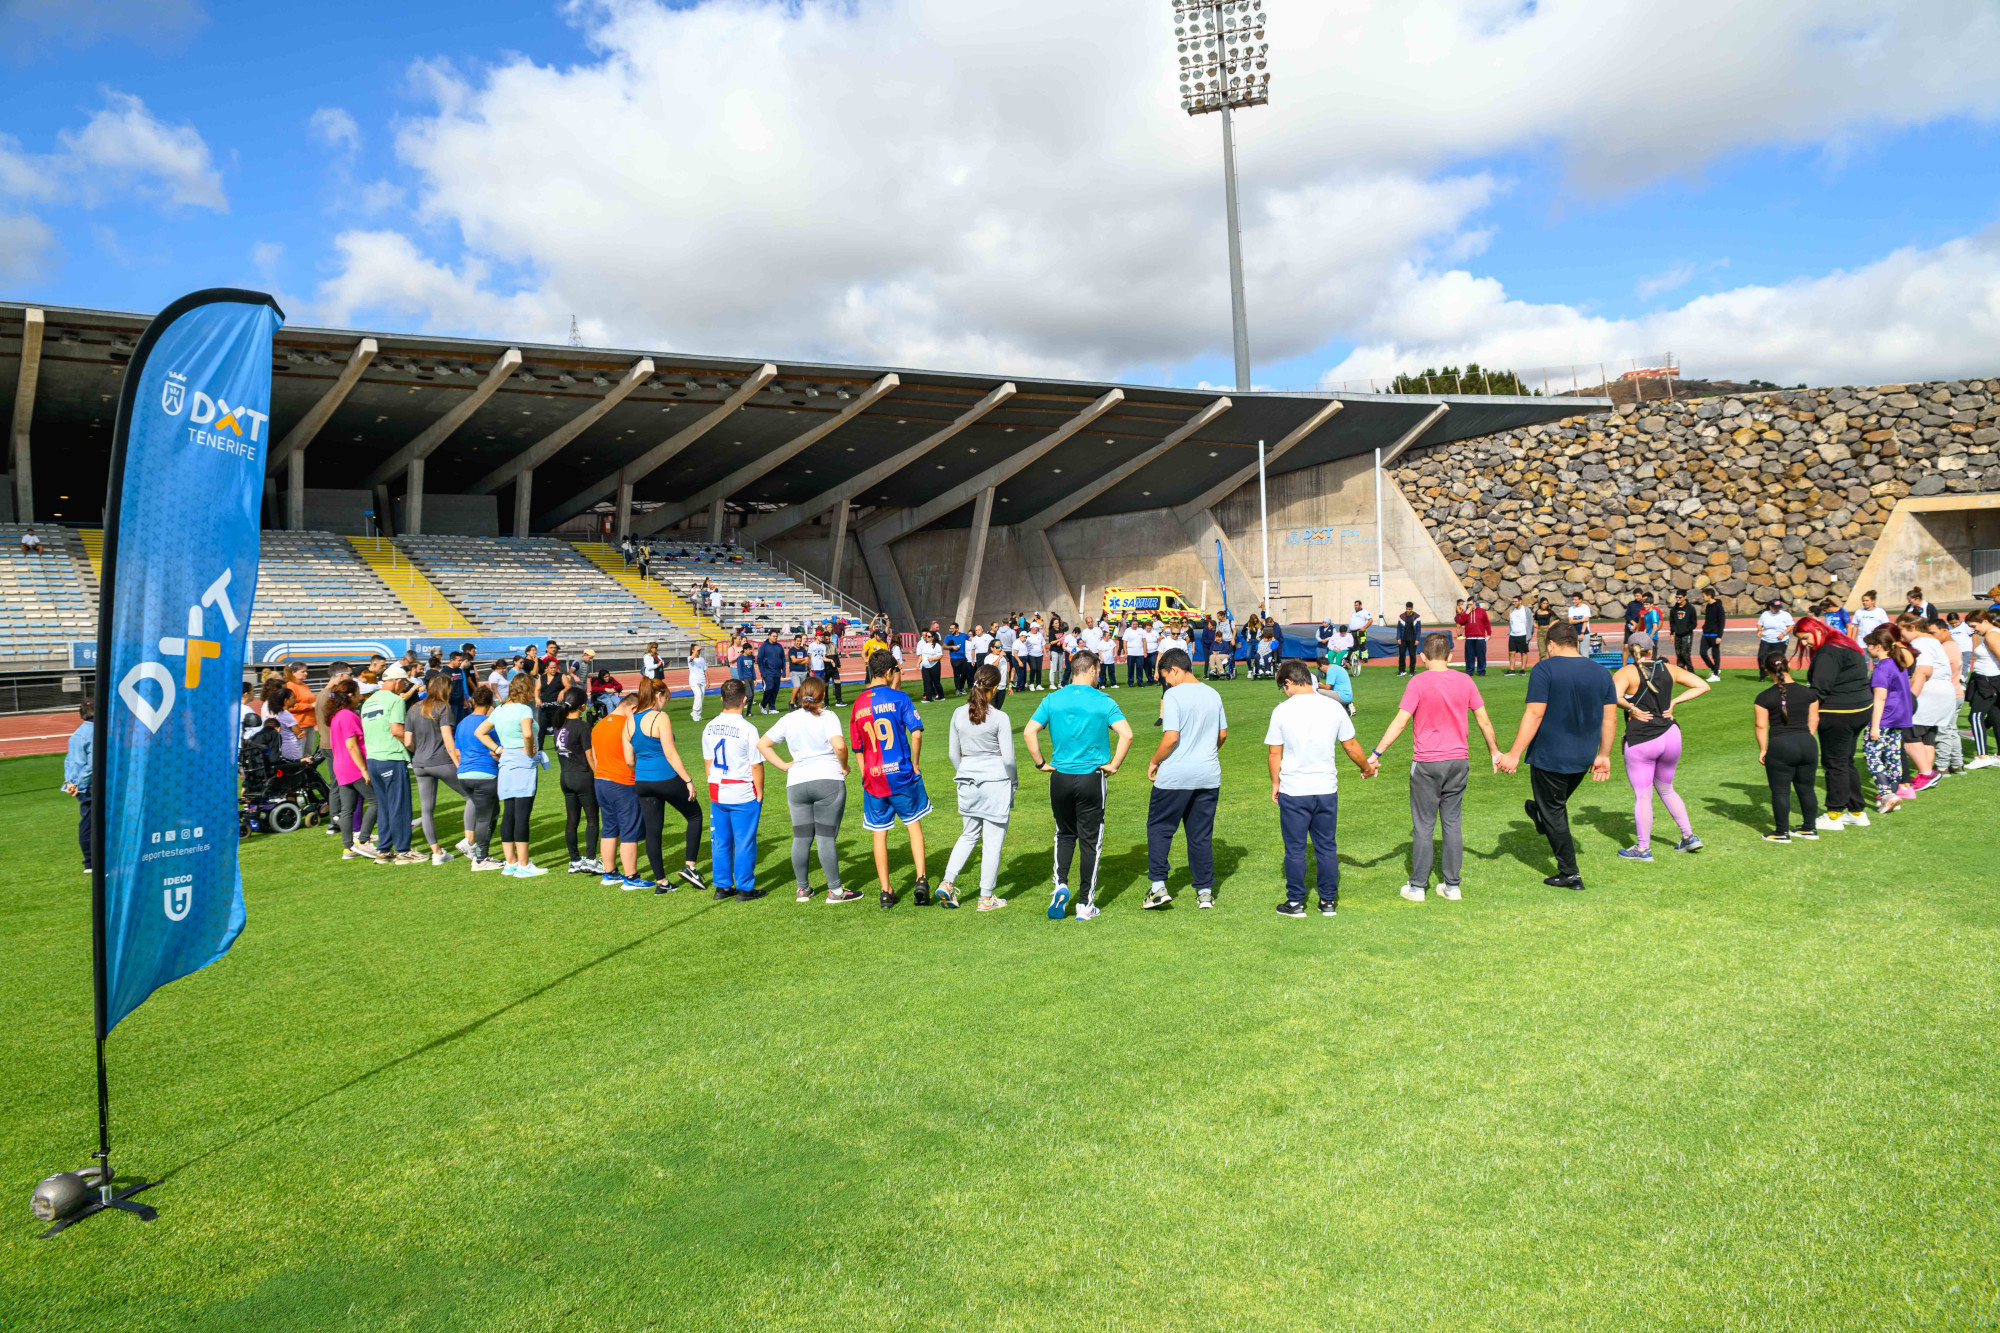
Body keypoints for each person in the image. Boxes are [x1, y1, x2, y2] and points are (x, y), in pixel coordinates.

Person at [1368, 631, 1500, 901]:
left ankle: (1417, 887)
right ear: (1451, 656)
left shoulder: (1418, 682)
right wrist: (1494, 752)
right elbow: (1484, 720)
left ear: (1422, 657)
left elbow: (1401, 721)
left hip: (1427, 763)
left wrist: (1376, 753)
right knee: (1452, 823)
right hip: (1458, 762)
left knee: (1424, 825)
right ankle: (1452, 886)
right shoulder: (1465, 681)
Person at [1496, 622, 1616, 890]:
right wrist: (1604, 755)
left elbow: (1535, 713)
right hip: (1583, 756)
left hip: (1550, 754)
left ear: (1550, 645)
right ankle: (1539, 813)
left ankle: (1570, 873)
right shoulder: (1601, 672)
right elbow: (1610, 718)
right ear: (1574, 642)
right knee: (1551, 805)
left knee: (1554, 811)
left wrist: (1514, 753)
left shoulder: (1544, 668)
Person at [1023, 650, 1133, 921]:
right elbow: (1126, 734)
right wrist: (1115, 765)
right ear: (1094, 670)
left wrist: (1040, 763)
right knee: (1090, 840)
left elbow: (1029, 732)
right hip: (1091, 777)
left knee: (1064, 833)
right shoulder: (1103, 701)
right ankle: (1084, 903)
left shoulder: (1053, 699)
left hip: (1059, 776)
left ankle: (1060, 884)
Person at [1266, 659, 1375, 917]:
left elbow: (1274, 753)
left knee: (1295, 848)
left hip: (1294, 789)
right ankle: (1327, 902)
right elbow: (1350, 746)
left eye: (1283, 687)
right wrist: (1366, 768)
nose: (1284, 692)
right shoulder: (1333, 707)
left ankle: (1295, 902)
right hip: (1325, 788)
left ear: (1289, 683)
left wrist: (1275, 783)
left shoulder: (1282, 710)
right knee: (1326, 846)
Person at [1610, 633, 1710, 859]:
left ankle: (1643, 848)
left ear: (1631, 648)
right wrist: (1674, 701)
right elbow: (1702, 685)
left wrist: (1631, 708)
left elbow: (1612, 696)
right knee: (1667, 788)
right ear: (1651, 650)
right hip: (1671, 734)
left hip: (1642, 738)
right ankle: (1689, 836)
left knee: (1643, 795)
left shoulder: (1626, 672)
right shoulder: (1670, 669)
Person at [758, 676, 854, 904]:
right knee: (825, 838)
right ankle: (836, 891)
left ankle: (803, 889)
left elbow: (763, 744)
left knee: (801, 838)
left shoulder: (788, 719)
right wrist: (844, 766)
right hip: (827, 780)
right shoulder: (827, 716)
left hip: (797, 782)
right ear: (822, 695)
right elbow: (839, 745)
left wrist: (782, 765)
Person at [1143, 648, 1226, 911]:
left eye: (1166, 676)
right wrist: (1204, 752)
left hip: (1176, 776)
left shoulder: (1174, 695)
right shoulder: (1213, 693)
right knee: (1200, 835)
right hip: (1208, 775)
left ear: (1175, 669)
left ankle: (1157, 888)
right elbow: (1222, 734)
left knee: (1160, 828)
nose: (1165, 682)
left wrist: (1155, 760)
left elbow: (1171, 737)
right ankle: (1204, 892)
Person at [848, 650, 932, 908]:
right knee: (913, 826)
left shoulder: (858, 704)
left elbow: (858, 747)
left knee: (879, 834)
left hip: (874, 779)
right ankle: (921, 880)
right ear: (888, 672)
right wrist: (915, 764)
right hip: (902, 775)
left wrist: (865, 772)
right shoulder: (899, 697)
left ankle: (885, 891)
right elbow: (916, 733)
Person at [939, 662, 1018, 912]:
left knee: (969, 834)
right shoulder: (1000, 717)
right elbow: (1008, 759)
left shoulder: (957, 713)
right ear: (994, 689)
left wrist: (965, 772)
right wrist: (1013, 783)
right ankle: (985, 898)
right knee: (993, 841)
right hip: (995, 782)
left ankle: (947, 882)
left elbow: (953, 754)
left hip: (968, 780)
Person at [1789, 615, 1874, 828]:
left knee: (1834, 763)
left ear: (1817, 630)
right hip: (1860, 709)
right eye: (1800, 639)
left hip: (1839, 712)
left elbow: (1819, 689)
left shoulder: (1829, 651)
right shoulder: (1845, 643)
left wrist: (1803, 713)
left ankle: (1834, 814)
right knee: (1845, 761)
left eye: (1805, 637)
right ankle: (1856, 812)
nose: (1804, 643)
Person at [631, 679, 705, 893]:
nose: (665, 703)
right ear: (658, 695)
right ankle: (690, 867)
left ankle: (662, 883)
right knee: (694, 815)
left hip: (642, 781)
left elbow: (629, 759)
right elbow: (670, 754)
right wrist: (688, 780)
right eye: (665, 698)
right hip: (664, 777)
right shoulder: (660, 717)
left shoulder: (630, 720)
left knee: (653, 831)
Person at [701, 678, 766, 900]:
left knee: (721, 840)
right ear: (744, 699)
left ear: (721, 699)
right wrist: (760, 792)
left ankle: (722, 886)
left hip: (717, 787)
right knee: (744, 840)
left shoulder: (709, 726)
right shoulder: (748, 728)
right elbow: (756, 764)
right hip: (741, 789)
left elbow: (708, 763)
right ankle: (745, 888)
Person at [360, 667, 425, 865]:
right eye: (404, 683)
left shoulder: (368, 702)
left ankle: (384, 849)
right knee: (400, 806)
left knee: (385, 807)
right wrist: (414, 748)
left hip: (373, 759)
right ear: (397, 682)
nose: (404, 686)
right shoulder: (396, 700)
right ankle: (403, 851)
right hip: (391, 757)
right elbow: (397, 730)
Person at [483, 674, 546, 876]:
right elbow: (527, 733)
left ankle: (510, 862)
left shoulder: (500, 710)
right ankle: (524, 865)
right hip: (522, 762)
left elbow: (480, 732)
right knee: (522, 815)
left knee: (509, 813)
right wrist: (529, 751)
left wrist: (499, 749)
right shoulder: (523, 709)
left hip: (507, 762)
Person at [1755, 660, 1822, 843]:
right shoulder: (1810, 693)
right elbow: (1814, 720)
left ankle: (1781, 832)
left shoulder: (1764, 697)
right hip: (1808, 744)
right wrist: (1805, 739)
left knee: (1780, 790)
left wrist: (1763, 749)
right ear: (1788, 667)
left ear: (1768, 671)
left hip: (1781, 746)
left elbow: (1761, 725)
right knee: (1807, 789)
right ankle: (1809, 828)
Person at [408, 671, 471, 866]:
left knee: (427, 810)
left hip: (419, 763)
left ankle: (436, 853)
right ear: (446, 689)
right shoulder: (443, 707)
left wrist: (420, 751)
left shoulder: (413, 709)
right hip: (441, 761)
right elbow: (447, 739)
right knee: (472, 795)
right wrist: (458, 763)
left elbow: (408, 741)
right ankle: (468, 841)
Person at [590, 692, 646, 886]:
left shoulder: (599, 725)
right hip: (623, 782)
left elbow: (595, 758)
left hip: (601, 781)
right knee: (629, 830)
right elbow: (632, 757)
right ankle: (631, 877)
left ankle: (610, 872)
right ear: (632, 708)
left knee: (609, 828)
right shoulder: (627, 726)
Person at [551, 687, 605, 876]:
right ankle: (591, 859)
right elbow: (590, 756)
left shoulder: (559, 724)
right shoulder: (582, 727)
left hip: (565, 776)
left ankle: (574, 860)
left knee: (572, 820)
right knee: (591, 819)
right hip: (582, 776)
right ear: (582, 706)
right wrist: (599, 775)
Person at [1900, 614, 1955, 794]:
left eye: (1901, 630)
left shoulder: (1920, 643)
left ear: (1912, 627)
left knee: (1909, 735)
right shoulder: (1933, 641)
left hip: (1928, 693)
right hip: (1943, 692)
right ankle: (1927, 775)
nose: (1900, 635)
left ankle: (1926, 773)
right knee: (1927, 736)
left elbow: (1922, 672)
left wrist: (1910, 698)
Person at [1863, 625, 1915, 813]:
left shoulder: (1881, 668)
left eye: (1869, 645)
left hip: (1885, 717)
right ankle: (1892, 795)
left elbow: (1880, 697)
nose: (1867, 649)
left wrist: (1874, 726)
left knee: (1872, 755)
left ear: (1878, 646)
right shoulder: (1897, 663)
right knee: (1893, 756)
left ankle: (1887, 795)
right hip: (1900, 717)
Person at [453, 686, 503, 870]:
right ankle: (481, 858)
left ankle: (481, 852)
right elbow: (495, 751)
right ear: (491, 702)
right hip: (485, 774)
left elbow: (458, 752)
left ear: (473, 701)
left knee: (492, 812)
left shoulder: (462, 723)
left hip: (464, 775)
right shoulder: (490, 724)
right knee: (485, 817)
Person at [1964, 609, 2000, 767]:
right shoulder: (1991, 634)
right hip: (1988, 680)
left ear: (1984, 621)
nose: (1973, 630)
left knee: (1976, 717)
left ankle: (1982, 757)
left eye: (1974, 625)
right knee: (1996, 718)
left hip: (1988, 682)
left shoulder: (1992, 635)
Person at [60, 694, 92, 873]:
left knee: (88, 819)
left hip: (79, 784)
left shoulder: (78, 733)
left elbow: (69, 761)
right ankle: (91, 861)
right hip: (89, 785)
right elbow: (92, 765)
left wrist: (70, 782)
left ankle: (91, 861)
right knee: (91, 821)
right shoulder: (94, 733)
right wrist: (79, 783)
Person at [1756, 599, 1794, 677]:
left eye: (1778, 608)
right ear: (1770, 607)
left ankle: (1778, 675)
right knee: (1761, 657)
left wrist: (1783, 633)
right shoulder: (1765, 614)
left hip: (1780, 640)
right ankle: (1763, 674)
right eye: (1775, 608)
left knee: (1778, 658)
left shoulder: (1785, 615)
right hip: (1766, 639)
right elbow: (1759, 624)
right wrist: (1759, 630)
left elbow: (1791, 625)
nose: (1777, 610)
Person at [756, 629, 787, 716]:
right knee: (769, 688)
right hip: (767, 672)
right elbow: (759, 660)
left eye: (776, 636)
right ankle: (763, 704)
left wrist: (783, 671)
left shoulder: (779, 646)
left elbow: (783, 659)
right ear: (769, 636)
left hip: (777, 672)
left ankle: (772, 708)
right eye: (773, 636)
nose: (775, 638)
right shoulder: (764, 646)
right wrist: (762, 672)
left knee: (775, 690)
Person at [1698, 587, 1725, 681]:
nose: (1702, 598)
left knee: (1715, 655)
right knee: (1702, 652)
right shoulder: (1708, 606)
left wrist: (1719, 636)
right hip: (1706, 634)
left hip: (1714, 635)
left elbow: (1722, 622)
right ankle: (1714, 669)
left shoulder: (1718, 606)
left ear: (1709, 596)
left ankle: (1716, 675)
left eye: (1704, 596)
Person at [1460, 597, 1491, 676]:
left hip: (1480, 637)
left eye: (1470, 604)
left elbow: (1487, 623)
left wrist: (1489, 633)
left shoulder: (1482, 612)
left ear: (1474, 603)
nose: (1469, 606)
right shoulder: (1466, 612)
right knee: (1469, 656)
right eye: (1468, 604)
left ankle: (1481, 671)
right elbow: (1461, 621)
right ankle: (1469, 671)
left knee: (1481, 655)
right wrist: (1467, 612)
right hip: (1469, 637)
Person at [1668, 592, 1698, 672]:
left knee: (1685, 653)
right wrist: (1671, 633)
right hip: (1677, 634)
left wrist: (1686, 630)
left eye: (1680, 597)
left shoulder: (1690, 608)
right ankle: (1680, 670)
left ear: (1685, 597)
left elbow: (1694, 623)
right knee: (1678, 654)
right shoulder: (1674, 609)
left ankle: (1690, 670)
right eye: (1676, 597)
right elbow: (1672, 622)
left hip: (1687, 635)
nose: (1678, 599)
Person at [916, 629, 945, 703]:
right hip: (925, 666)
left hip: (934, 665)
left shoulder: (937, 646)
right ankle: (928, 698)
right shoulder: (925, 645)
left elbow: (940, 656)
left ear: (932, 637)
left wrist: (933, 659)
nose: (926, 637)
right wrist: (918, 663)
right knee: (926, 681)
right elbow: (922, 655)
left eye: (928, 636)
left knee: (936, 682)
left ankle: (941, 696)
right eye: (926, 636)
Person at [1506, 596, 1532, 676]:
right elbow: (1511, 623)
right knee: (1511, 653)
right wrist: (1510, 632)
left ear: (1520, 601)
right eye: (1513, 602)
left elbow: (1530, 623)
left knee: (1523, 653)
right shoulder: (1512, 611)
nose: (1513, 603)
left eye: (1515, 601)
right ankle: (1512, 669)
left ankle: (1522, 669)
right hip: (1513, 635)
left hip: (1523, 635)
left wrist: (1529, 634)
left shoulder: (1526, 610)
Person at [1346, 600, 1375, 672]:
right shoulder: (1353, 612)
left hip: (1360, 631)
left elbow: (1371, 620)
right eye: (1355, 605)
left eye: (1357, 605)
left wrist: (1364, 628)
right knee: (1354, 646)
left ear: (1360, 605)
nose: (1355, 606)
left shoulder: (1364, 612)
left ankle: (1365, 658)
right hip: (1353, 632)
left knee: (1362, 645)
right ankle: (1355, 658)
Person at [945, 622, 970, 696]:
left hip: (963, 658)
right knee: (956, 675)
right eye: (950, 628)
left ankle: (962, 687)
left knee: (965, 674)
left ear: (957, 628)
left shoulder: (963, 635)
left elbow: (972, 638)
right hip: (954, 658)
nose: (951, 630)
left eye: (952, 628)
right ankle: (957, 689)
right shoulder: (948, 636)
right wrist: (952, 647)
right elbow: (944, 646)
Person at [1022, 620, 1047, 691]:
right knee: (1033, 668)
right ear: (1032, 628)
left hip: (1039, 654)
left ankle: (1038, 684)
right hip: (1031, 654)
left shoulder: (1039, 634)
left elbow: (1043, 643)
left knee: (1039, 669)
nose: (1037, 629)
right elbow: (1024, 644)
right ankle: (1032, 684)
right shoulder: (1028, 635)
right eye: (1036, 627)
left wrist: (1044, 652)